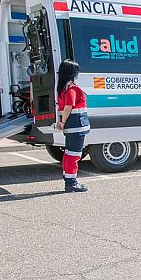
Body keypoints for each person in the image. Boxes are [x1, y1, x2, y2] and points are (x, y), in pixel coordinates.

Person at [55, 59, 90, 192]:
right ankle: (72, 183)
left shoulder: (62, 88)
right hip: (77, 126)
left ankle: (68, 179)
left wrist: (62, 122)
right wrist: (62, 122)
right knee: (74, 154)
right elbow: (69, 107)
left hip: (72, 127)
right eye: (76, 70)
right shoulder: (71, 89)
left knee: (69, 153)